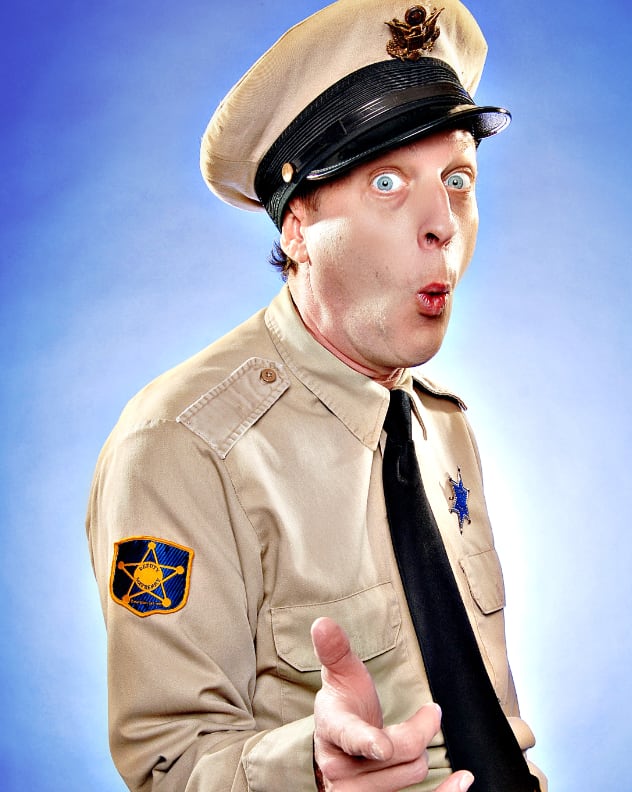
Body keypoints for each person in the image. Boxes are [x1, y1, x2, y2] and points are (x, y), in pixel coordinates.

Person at [84, 2, 543, 790]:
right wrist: (312, 771)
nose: (443, 223)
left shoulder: (440, 424)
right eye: (388, 182)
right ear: (297, 226)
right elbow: (168, 760)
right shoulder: (181, 446)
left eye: (458, 180)